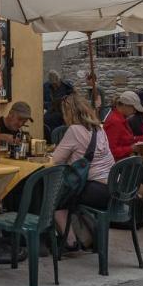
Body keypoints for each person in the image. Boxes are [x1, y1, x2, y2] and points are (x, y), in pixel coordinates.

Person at [50, 93, 114, 249]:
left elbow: (55, 161)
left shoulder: (74, 130)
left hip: (96, 189)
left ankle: (69, 241)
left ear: (69, 112)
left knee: (53, 198)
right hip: (114, 187)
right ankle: (85, 237)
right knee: (66, 195)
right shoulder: (99, 128)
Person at [103, 90, 143, 210]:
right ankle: (131, 204)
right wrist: (130, 148)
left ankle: (136, 205)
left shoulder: (120, 119)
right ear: (126, 105)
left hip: (124, 159)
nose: (135, 111)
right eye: (133, 108)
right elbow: (111, 151)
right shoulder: (115, 122)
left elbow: (131, 138)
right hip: (119, 163)